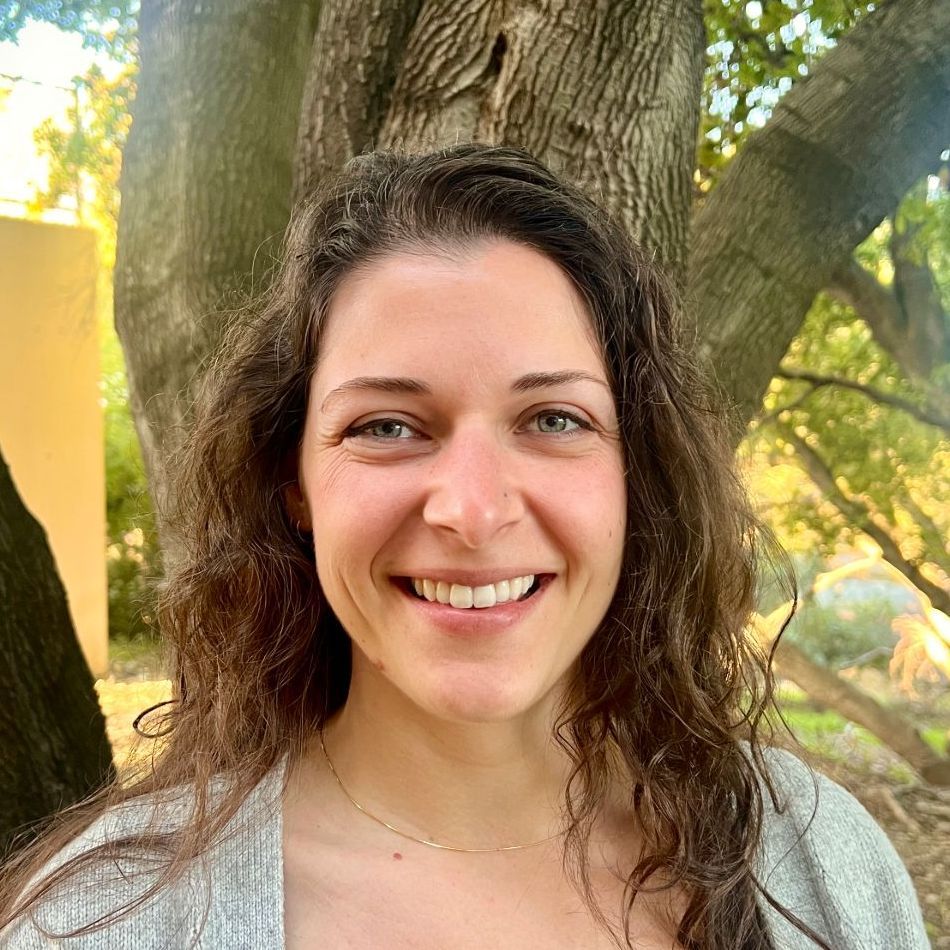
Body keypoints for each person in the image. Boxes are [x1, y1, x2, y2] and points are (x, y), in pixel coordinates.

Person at [0, 144, 928, 950]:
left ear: (634, 474)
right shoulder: (111, 921)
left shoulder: (817, 860)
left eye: (554, 418)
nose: (475, 512)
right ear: (295, 485)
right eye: (390, 426)